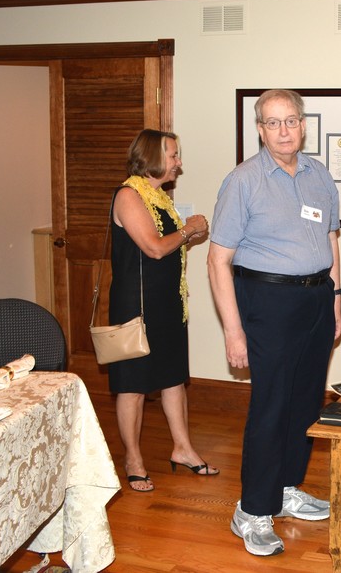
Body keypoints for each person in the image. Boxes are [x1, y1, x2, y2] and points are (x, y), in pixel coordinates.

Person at [207, 89, 341, 558]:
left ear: (303, 125)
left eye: (290, 121)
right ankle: (252, 510)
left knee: (305, 402)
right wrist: (233, 331)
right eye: (273, 122)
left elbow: (331, 240)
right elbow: (217, 260)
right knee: (271, 405)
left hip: (316, 299)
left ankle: (285, 489)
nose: (283, 131)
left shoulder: (319, 174)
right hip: (267, 302)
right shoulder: (243, 181)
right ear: (260, 129)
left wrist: (335, 304)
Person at [108, 129, 214, 494]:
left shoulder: (158, 196)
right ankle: (133, 460)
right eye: (173, 155)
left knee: (173, 378)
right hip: (135, 307)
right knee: (133, 385)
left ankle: (183, 449)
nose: (178, 162)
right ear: (153, 156)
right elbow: (154, 248)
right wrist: (189, 230)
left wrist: (187, 234)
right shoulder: (128, 195)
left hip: (167, 302)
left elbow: (166, 245)